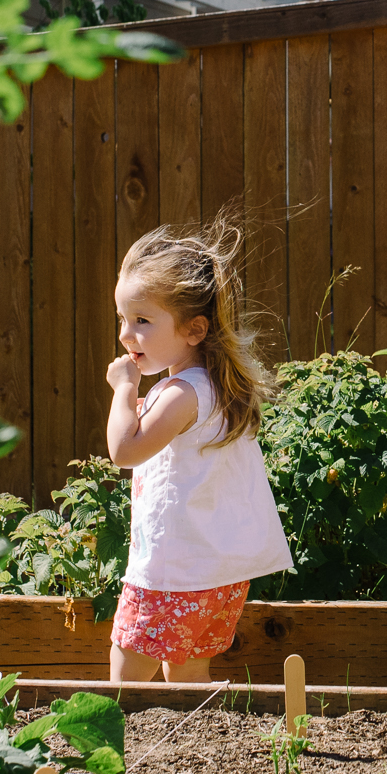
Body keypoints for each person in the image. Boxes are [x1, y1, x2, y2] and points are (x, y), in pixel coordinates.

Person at [103, 211, 293, 683]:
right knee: (188, 680)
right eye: (123, 318)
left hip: (172, 575)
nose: (127, 334)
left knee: (124, 684)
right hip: (213, 576)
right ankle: (190, 752)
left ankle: (110, 751)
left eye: (142, 320)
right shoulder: (212, 387)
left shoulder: (181, 395)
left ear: (194, 330)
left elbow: (124, 451)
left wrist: (124, 389)